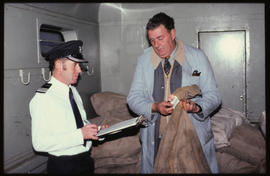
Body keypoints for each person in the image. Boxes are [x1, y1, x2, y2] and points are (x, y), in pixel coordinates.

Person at [127, 12, 221, 173]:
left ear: (172, 34)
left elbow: (214, 95)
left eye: (160, 38)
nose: (156, 45)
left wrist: (196, 107)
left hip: (190, 138)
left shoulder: (197, 57)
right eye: (152, 40)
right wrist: (154, 107)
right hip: (156, 139)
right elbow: (133, 98)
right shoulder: (144, 61)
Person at [29, 40, 108, 174]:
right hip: (64, 166)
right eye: (75, 65)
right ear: (59, 65)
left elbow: (78, 123)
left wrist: (97, 131)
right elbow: (39, 143)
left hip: (85, 160)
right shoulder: (44, 98)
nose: (79, 70)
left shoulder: (72, 90)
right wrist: (80, 135)